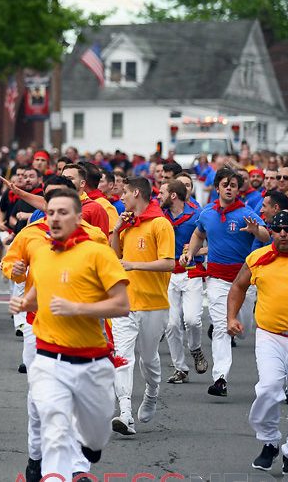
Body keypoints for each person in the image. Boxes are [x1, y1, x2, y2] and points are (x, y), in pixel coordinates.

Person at [9, 188, 130, 481]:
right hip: (49, 360)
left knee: (95, 437)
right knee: (56, 427)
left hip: (92, 363)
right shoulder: (41, 252)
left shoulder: (98, 252)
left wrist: (77, 308)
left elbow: (122, 305)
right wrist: (26, 302)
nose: (54, 218)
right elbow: (41, 291)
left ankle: (91, 446)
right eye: (50, 212)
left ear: (78, 217)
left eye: (62, 212)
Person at [228, 211, 288, 477]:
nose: (282, 234)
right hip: (270, 336)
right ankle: (269, 441)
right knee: (268, 388)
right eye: (277, 229)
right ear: (271, 231)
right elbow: (238, 287)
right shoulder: (259, 258)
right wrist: (232, 317)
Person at [183, 167, 265, 398]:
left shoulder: (246, 213)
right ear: (217, 187)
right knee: (221, 328)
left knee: (244, 330)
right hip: (217, 279)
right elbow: (199, 234)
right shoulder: (207, 212)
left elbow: (267, 236)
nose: (229, 188)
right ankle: (220, 379)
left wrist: (255, 230)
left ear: (239, 190)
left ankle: (236, 327)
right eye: (225, 184)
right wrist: (192, 253)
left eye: (233, 185)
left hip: (244, 280)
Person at [108, 177, 175, 436]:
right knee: (122, 358)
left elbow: (169, 263)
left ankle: (152, 393)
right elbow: (116, 257)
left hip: (154, 303)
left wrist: (135, 265)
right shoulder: (127, 224)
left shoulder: (160, 224)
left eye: (124, 192)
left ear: (137, 193)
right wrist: (116, 231)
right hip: (125, 303)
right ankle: (125, 413)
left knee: (148, 359)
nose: (121, 197)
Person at [159, 179, 207, 385]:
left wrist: (194, 251)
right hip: (168, 274)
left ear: (173, 196)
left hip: (191, 272)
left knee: (192, 320)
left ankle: (195, 348)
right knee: (171, 324)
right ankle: (181, 368)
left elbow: (212, 246)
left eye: (161, 193)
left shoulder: (196, 216)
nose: (158, 196)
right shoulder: (160, 217)